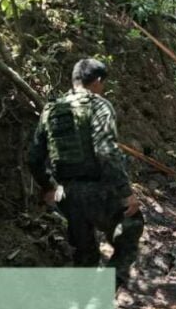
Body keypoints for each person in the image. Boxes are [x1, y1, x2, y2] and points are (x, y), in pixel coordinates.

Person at [28, 58, 143, 289]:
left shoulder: (51, 109)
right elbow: (106, 152)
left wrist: (48, 186)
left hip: (67, 195)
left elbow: (34, 157)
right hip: (99, 192)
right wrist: (126, 192)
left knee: (85, 253)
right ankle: (98, 304)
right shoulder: (99, 106)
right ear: (98, 81)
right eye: (103, 83)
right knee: (131, 231)